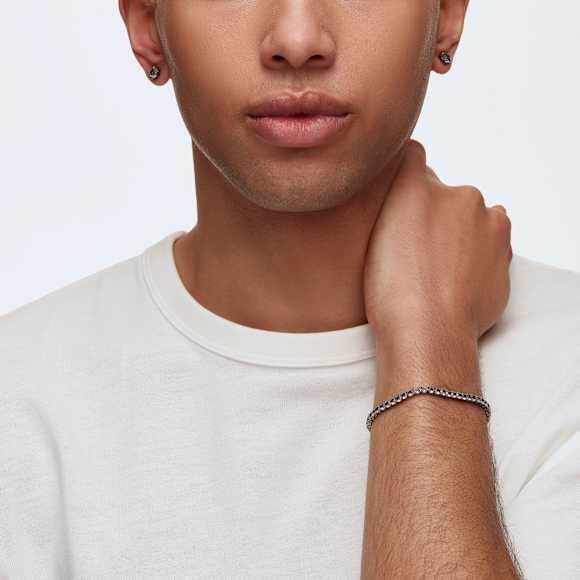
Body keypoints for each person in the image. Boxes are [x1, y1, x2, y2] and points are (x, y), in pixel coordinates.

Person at [1, 0, 578, 578]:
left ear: (446, 18)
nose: (298, 42)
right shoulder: (20, 393)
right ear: (147, 25)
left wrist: (430, 342)